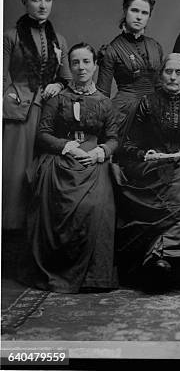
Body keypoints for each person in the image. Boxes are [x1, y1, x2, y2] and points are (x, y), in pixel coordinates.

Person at [23, 43, 118, 293]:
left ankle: (93, 276)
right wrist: (68, 147)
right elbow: (43, 135)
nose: (81, 67)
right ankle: (57, 269)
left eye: (86, 61)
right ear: (70, 66)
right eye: (75, 62)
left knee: (98, 206)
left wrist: (101, 152)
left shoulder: (104, 102)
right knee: (50, 198)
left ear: (95, 65)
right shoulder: (58, 98)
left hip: (93, 160)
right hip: (62, 158)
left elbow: (113, 138)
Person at [113, 53, 180, 291]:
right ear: (161, 75)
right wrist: (146, 154)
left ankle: (161, 259)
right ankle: (177, 263)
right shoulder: (147, 102)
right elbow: (128, 145)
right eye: (169, 71)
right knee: (175, 187)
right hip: (154, 165)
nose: (173, 77)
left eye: (179, 73)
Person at [3, 0, 71, 232]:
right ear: (24, 1)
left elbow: (65, 78)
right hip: (16, 114)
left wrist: (58, 85)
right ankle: (10, 232)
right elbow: (2, 77)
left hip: (46, 113)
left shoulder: (59, 40)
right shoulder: (10, 37)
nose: (42, 5)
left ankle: (37, 234)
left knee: (42, 174)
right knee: (14, 174)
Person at [96, 0, 164, 143]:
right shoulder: (112, 49)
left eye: (144, 13)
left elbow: (161, 85)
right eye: (134, 10)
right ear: (125, 10)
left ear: (149, 17)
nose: (139, 17)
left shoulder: (155, 46)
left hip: (155, 109)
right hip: (125, 112)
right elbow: (103, 94)